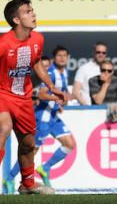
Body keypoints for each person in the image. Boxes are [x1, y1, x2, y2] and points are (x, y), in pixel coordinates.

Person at [0, 0, 68, 195]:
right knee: (4, 127)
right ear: (16, 20)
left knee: (28, 143)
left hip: (23, 98)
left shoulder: (38, 39)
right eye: (27, 11)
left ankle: (27, 185)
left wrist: (51, 86)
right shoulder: (1, 44)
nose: (33, 14)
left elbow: (36, 63)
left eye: (33, 10)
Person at [5, 44, 76, 192]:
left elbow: (58, 95)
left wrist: (60, 103)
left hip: (53, 116)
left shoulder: (64, 73)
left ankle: (45, 168)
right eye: (59, 55)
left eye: (64, 55)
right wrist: (57, 97)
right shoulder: (50, 72)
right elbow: (42, 94)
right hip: (42, 118)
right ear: (54, 58)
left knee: (69, 144)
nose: (62, 58)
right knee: (31, 151)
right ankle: (9, 178)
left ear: (68, 58)